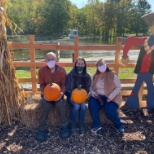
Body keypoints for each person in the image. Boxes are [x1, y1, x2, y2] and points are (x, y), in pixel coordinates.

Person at [121, 12, 154, 109]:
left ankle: (150, 106)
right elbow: (130, 40)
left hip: (150, 71)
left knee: (149, 89)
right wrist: (124, 55)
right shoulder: (145, 40)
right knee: (138, 88)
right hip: (142, 70)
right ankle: (132, 105)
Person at [36, 52, 70, 142]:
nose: (50, 61)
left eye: (52, 59)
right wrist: (44, 94)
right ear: (45, 60)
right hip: (47, 94)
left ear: (56, 60)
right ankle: (42, 129)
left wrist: (61, 93)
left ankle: (65, 126)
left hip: (59, 94)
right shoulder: (41, 71)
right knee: (46, 106)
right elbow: (42, 85)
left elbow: (64, 85)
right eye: (48, 59)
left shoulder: (62, 71)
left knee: (60, 105)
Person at [88, 59, 124, 134]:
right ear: (97, 67)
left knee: (109, 110)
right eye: (100, 66)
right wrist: (94, 94)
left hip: (110, 97)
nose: (102, 67)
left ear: (106, 65)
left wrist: (111, 96)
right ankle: (97, 124)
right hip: (98, 97)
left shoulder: (112, 75)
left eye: (103, 65)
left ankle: (118, 124)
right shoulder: (95, 76)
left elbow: (118, 87)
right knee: (92, 105)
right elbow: (90, 87)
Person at [65, 57, 91, 135]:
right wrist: (72, 96)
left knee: (83, 106)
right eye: (78, 64)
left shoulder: (87, 76)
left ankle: (81, 123)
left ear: (84, 65)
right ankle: (73, 124)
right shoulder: (70, 74)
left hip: (82, 98)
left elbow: (87, 89)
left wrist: (83, 96)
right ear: (75, 64)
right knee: (76, 106)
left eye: (81, 64)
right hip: (71, 97)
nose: (80, 65)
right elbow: (67, 88)